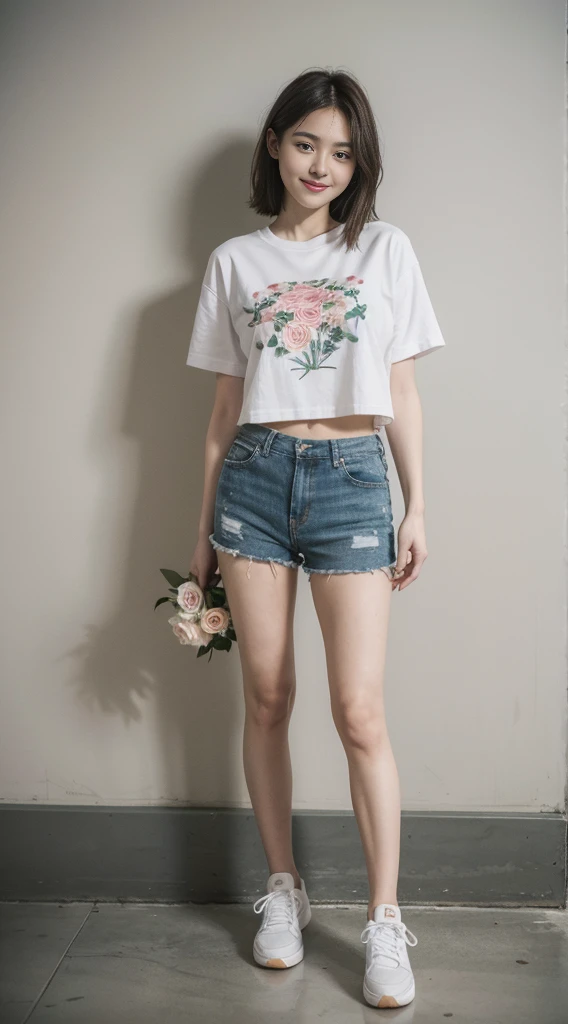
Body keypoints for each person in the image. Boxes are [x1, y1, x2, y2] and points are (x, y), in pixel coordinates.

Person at [186, 67, 445, 1010]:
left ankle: (383, 920)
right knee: (265, 694)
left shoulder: (382, 250)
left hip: (351, 483)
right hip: (255, 479)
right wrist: (202, 530)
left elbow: (404, 393)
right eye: (306, 144)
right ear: (275, 144)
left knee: (358, 710)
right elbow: (222, 410)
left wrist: (417, 507)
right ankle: (284, 891)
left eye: (341, 151)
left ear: (357, 161)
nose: (322, 165)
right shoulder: (234, 263)